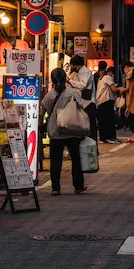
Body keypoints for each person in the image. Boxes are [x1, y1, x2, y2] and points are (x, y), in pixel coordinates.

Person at [42, 67, 87, 195]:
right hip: (72, 130)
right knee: (76, 159)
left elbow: (42, 112)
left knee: (55, 161)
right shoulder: (72, 93)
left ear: (52, 80)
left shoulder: (49, 95)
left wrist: (41, 125)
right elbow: (81, 107)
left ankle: (55, 188)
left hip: (55, 131)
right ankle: (78, 185)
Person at [67, 55, 97, 140]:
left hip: (88, 103)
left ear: (77, 64)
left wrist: (71, 82)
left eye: (73, 65)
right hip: (82, 102)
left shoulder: (84, 71)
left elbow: (83, 85)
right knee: (84, 126)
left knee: (89, 126)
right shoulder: (77, 72)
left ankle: (91, 147)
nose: (72, 67)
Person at [95, 63, 125, 143]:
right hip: (106, 102)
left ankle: (103, 138)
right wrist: (123, 89)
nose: (114, 76)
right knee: (110, 121)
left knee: (103, 122)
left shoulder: (101, 78)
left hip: (100, 102)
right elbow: (114, 89)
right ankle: (111, 138)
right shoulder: (107, 77)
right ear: (111, 73)